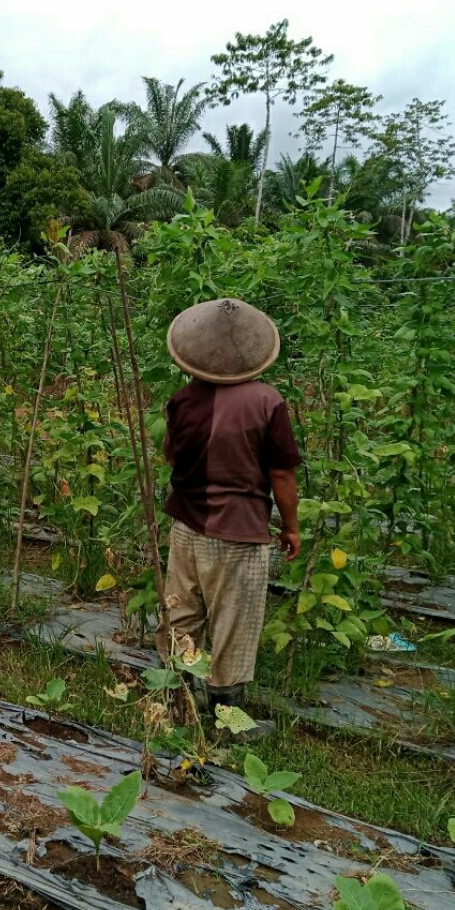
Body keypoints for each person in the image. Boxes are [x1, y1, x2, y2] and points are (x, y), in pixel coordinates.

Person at [159, 297, 301, 719]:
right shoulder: (267, 402)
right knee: (234, 623)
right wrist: (290, 526)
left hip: (186, 525)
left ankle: (178, 699)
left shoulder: (182, 400)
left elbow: (171, 456)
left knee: (181, 612)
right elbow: (282, 476)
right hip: (239, 531)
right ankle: (226, 715)